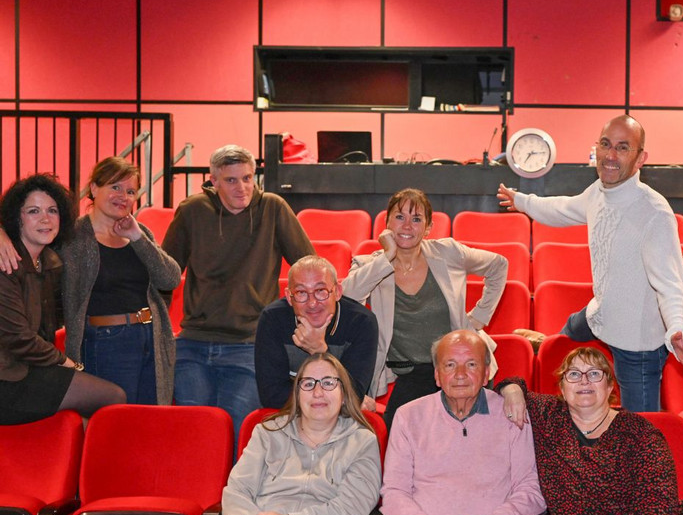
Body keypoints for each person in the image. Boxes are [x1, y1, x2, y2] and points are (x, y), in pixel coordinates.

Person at [496, 115, 683, 412]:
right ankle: (546, 341)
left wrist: (677, 329)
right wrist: (523, 201)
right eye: (605, 144)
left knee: (639, 431)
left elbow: (670, 284)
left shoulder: (655, 213)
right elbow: (563, 208)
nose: (610, 155)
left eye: (622, 147)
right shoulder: (598, 193)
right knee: (573, 326)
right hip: (601, 314)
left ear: (641, 158)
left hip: (638, 344)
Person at [162, 144, 314, 435]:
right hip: (194, 342)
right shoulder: (192, 211)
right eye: (231, 180)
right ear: (214, 180)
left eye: (247, 178)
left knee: (236, 434)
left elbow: (308, 268)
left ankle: (234, 484)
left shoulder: (272, 207)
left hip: (250, 344)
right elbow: (165, 275)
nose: (242, 187)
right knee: (193, 433)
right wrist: (158, 331)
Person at [496, 345, 683, 515]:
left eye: (594, 374)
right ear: (562, 388)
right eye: (573, 374)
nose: (584, 380)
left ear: (610, 386)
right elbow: (498, 382)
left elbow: (657, 511)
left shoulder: (640, 433)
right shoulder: (549, 417)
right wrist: (512, 390)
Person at [342, 188, 507, 424]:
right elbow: (347, 296)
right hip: (412, 373)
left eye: (417, 219)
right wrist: (386, 256)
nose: (407, 226)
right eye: (400, 217)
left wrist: (479, 316)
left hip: (459, 366)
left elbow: (498, 266)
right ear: (386, 222)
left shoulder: (447, 252)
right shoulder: (370, 264)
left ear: (428, 227)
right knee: (396, 433)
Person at [221, 352, 381, 515]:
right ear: (297, 394)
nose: (318, 392)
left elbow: (350, 514)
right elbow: (236, 492)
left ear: (343, 393)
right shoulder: (267, 433)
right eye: (308, 384)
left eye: (328, 383)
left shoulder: (362, 441)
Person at [380, 330, 545, 515]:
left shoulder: (512, 414)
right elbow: (395, 492)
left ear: (486, 374)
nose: (460, 374)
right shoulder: (408, 416)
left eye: (471, 364)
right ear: (437, 375)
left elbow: (530, 489)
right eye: (450, 365)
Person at [0, 174, 125, 424]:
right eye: (33, 211)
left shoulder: (50, 262)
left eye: (52, 210)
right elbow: (18, 338)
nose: (45, 219)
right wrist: (67, 363)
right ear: (17, 218)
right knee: (113, 396)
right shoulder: (6, 263)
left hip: (28, 368)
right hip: (7, 378)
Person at [255, 255, 379, 409]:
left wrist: (320, 351)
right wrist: (333, 398)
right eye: (301, 293)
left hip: (342, 421)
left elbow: (353, 394)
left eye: (321, 291)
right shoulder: (273, 319)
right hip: (288, 419)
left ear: (338, 292)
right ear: (289, 296)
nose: (312, 303)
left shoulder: (361, 321)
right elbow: (271, 396)